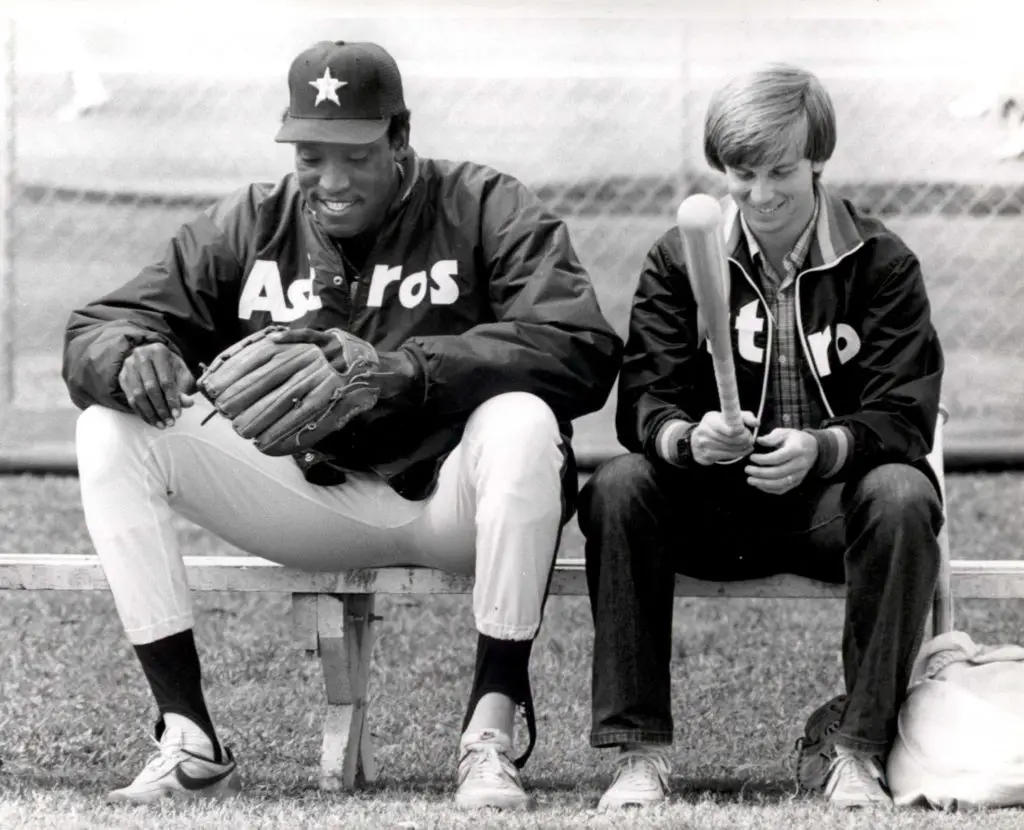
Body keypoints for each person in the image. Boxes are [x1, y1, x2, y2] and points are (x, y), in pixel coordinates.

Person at [62, 40, 621, 809]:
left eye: (356, 155)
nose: (331, 180)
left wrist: (402, 371)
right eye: (312, 155)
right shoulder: (253, 222)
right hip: (307, 497)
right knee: (110, 427)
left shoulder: (484, 205)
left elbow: (580, 347)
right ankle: (188, 733)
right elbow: (102, 323)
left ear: (401, 138)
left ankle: (490, 731)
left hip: (449, 503)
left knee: (525, 421)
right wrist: (127, 354)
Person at [577, 63, 944, 811]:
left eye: (781, 170)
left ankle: (858, 753)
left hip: (830, 513)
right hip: (712, 509)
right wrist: (686, 438)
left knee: (904, 495)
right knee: (618, 487)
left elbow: (905, 413)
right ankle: (638, 756)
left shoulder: (880, 262)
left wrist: (826, 446)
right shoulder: (680, 257)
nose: (762, 193)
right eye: (742, 174)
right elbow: (644, 401)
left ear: (818, 159)